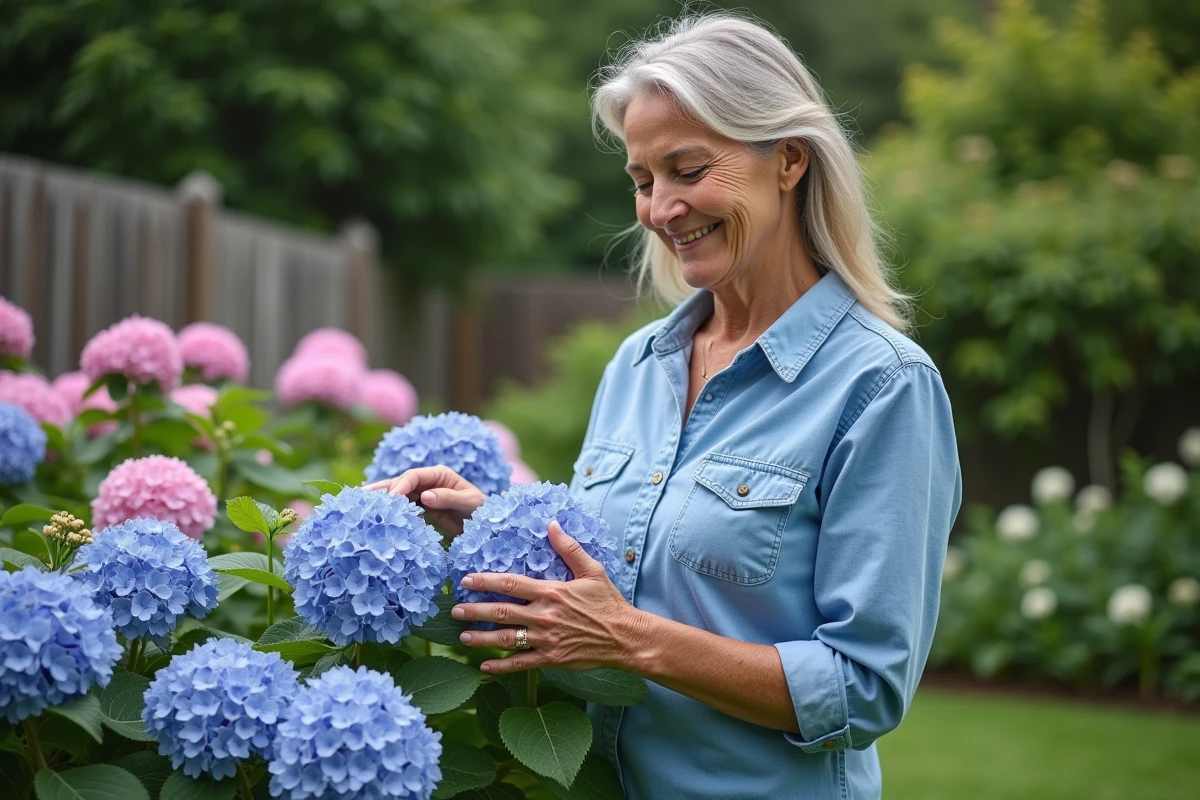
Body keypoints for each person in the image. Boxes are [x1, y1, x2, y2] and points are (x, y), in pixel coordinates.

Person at [367, 13, 961, 799]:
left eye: (687, 169)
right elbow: (619, 578)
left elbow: (864, 687)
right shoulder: (638, 367)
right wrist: (489, 524)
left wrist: (632, 642)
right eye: (644, 181)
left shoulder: (881, 387)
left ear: (788, 160)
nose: (660, 208)